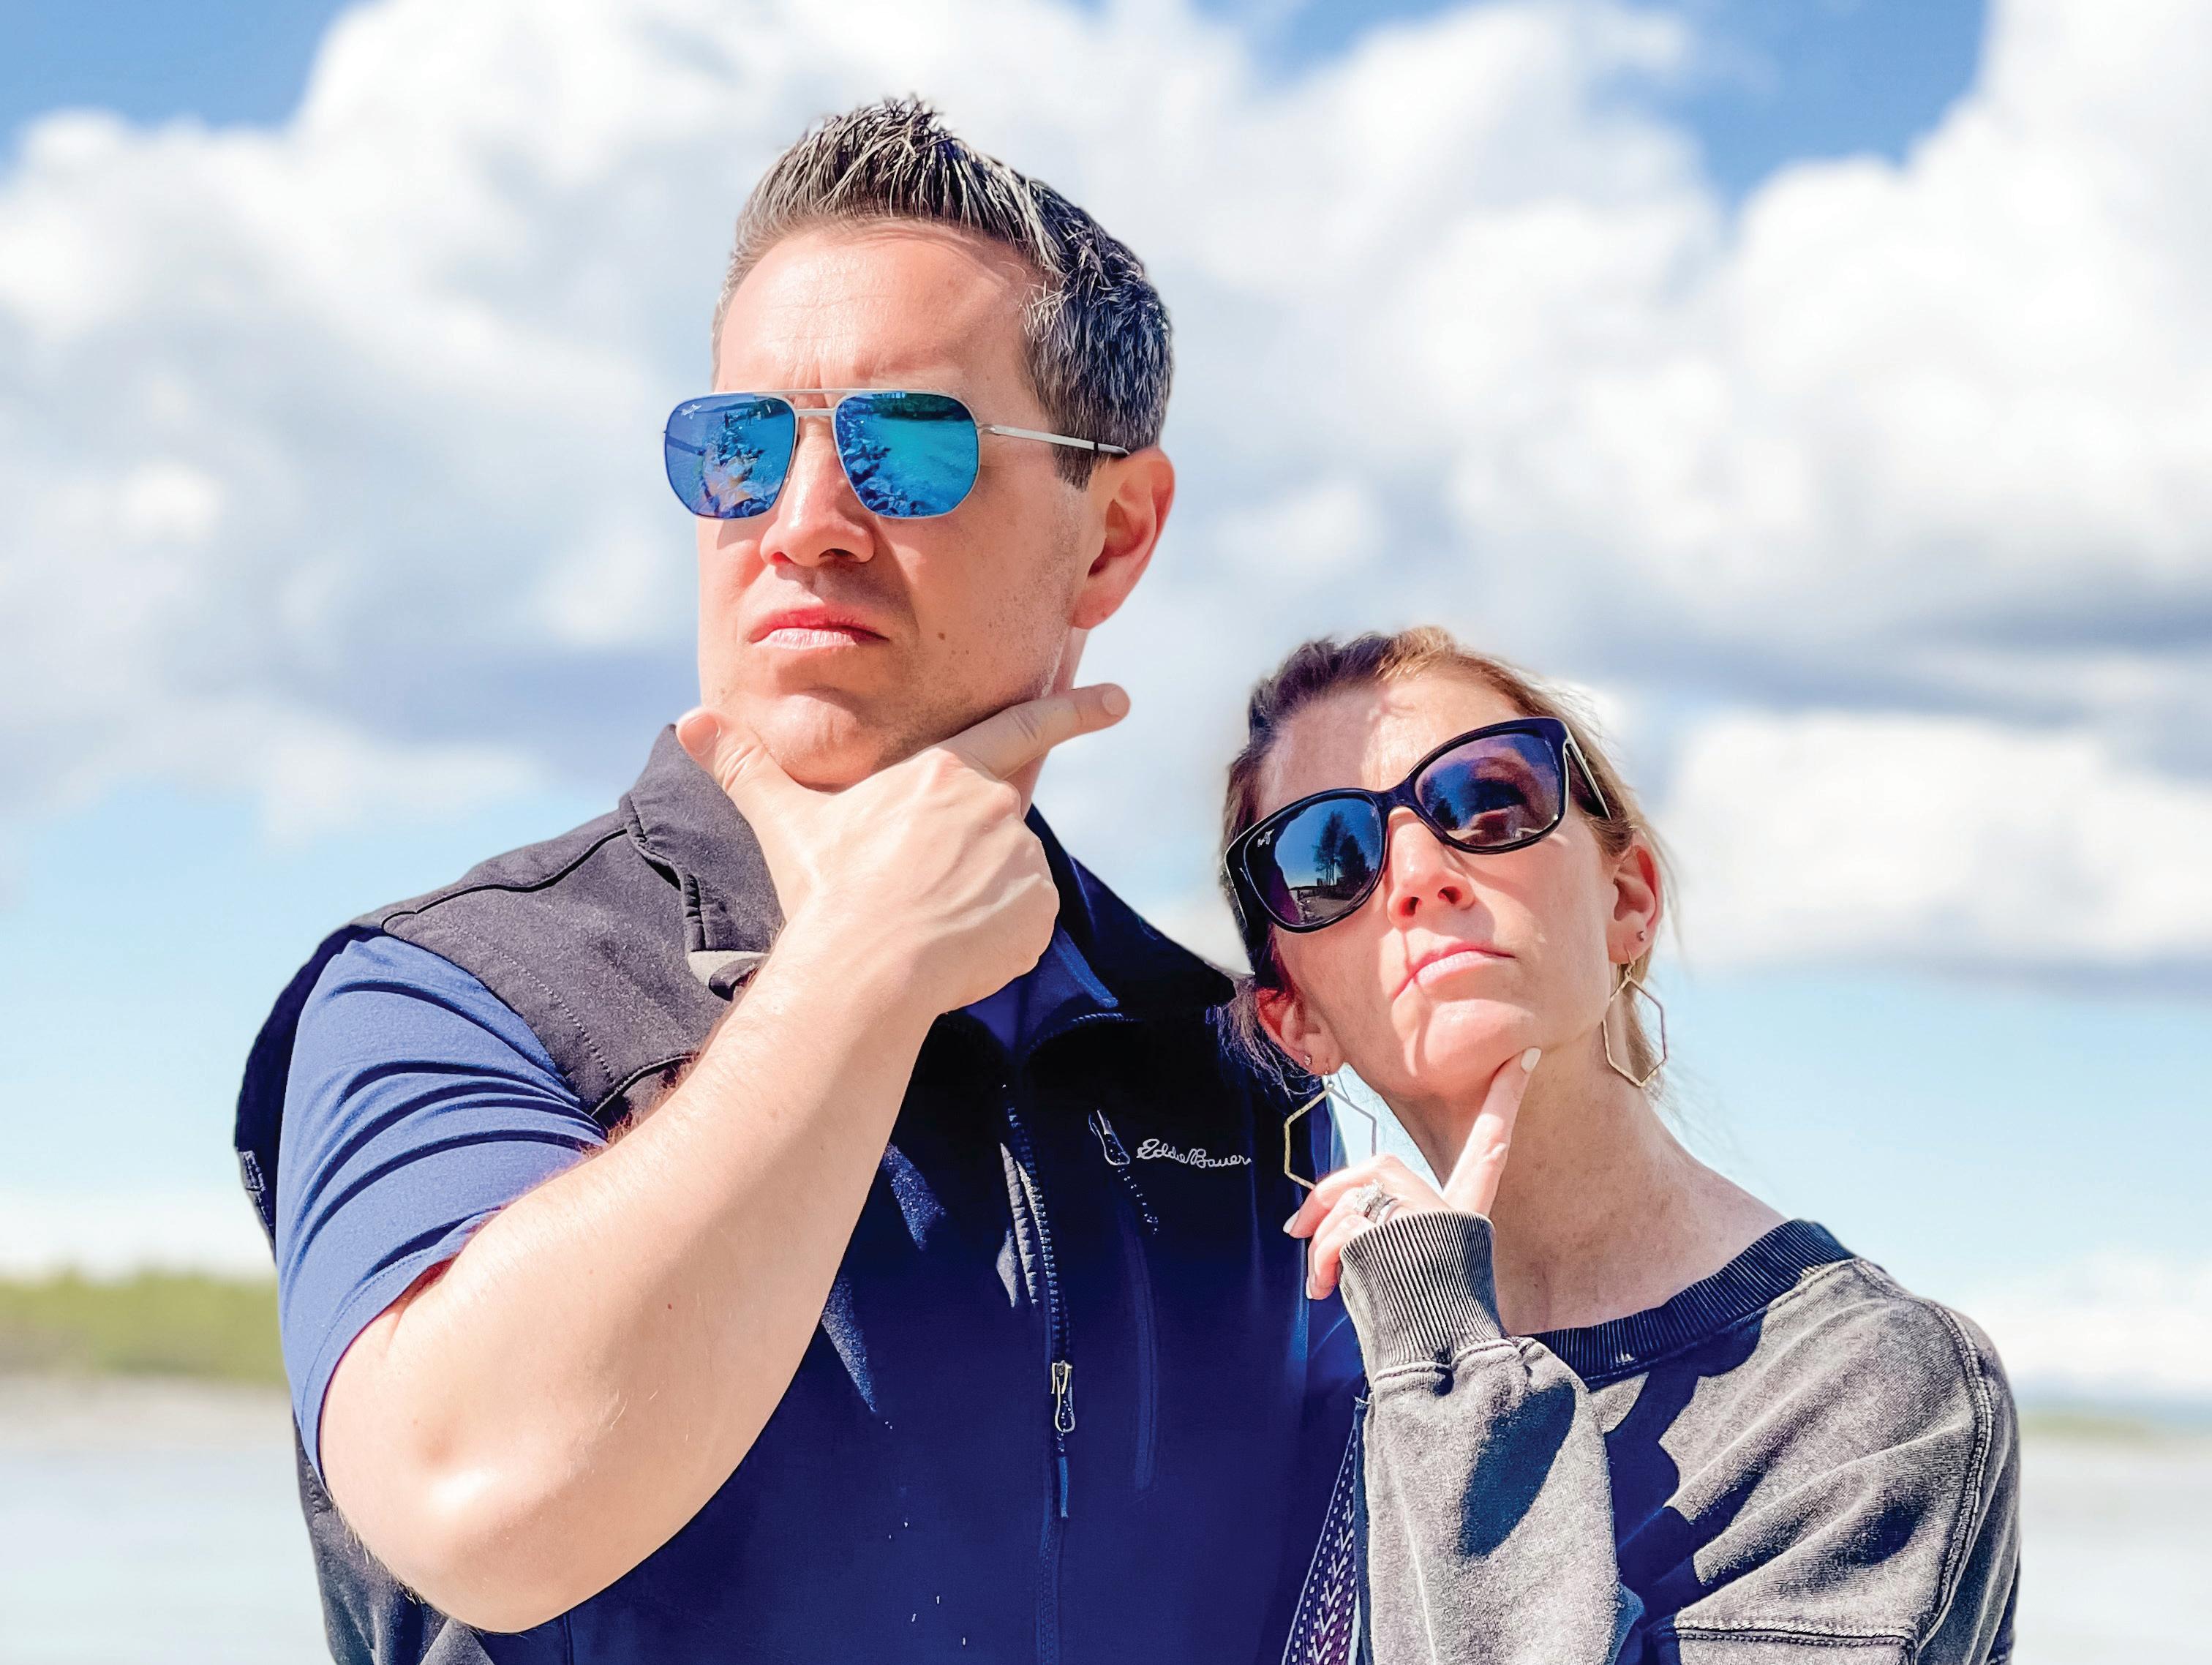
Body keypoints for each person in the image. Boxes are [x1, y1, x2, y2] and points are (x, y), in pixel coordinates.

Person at [235, 99, 1354, 1665]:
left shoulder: (1226, 1064)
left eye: (906, 446)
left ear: (1114, 534)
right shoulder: (454, 990)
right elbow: (480, 1500)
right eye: (742, 447)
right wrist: (859, 966)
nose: (804, 522)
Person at [1218, 628, 2020, 1665]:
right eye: (1325, 858)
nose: (1419, 873)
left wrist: (1451, 1371)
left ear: (1627, 899)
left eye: (1485, 803)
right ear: (1296, 1022)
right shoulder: (1310, 1390)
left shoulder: (1872, 1391)